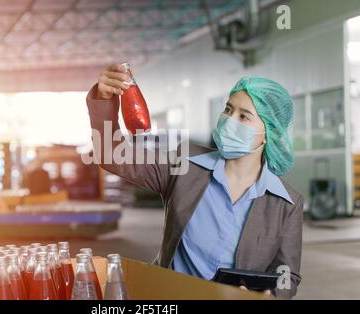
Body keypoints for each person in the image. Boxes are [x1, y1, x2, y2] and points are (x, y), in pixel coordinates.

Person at [86, 63, 303, 299]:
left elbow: (287, 274)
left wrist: (268, 294)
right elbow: (110, 154)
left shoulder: (287, 203)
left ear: (270, 131)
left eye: (244, 116)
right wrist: (104, 100)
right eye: (228, 110)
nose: (230, 120)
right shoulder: (184, 165)